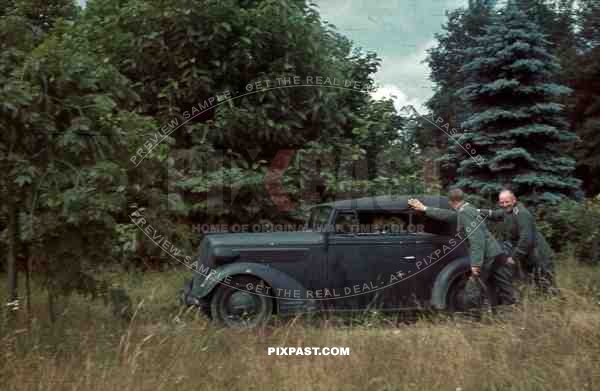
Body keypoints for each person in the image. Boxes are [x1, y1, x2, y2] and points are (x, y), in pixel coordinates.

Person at [408, 189, 516, 312]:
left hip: (486, 254)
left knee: (474, 285)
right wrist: (425, 209)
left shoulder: (465, 212)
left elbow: (477, 240)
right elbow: (449, 215)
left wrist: (476, 264)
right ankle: (511, 310)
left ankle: (472, 314)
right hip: (495, 252)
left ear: (450, 202)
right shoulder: (467, 208)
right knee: (503, 283)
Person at [478, 189, 557, 294]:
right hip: (529, 256)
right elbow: (494, 214)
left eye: (507, 202)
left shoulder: (521, 213)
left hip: (540, 255)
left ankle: (560, 307)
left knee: (548, 286)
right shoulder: (508, 212)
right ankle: (543, 307)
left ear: (514, 200)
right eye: (502, 202)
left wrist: (514, 257)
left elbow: (526, 239)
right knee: (536, 286)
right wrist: (476, 211)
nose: (504, 205)